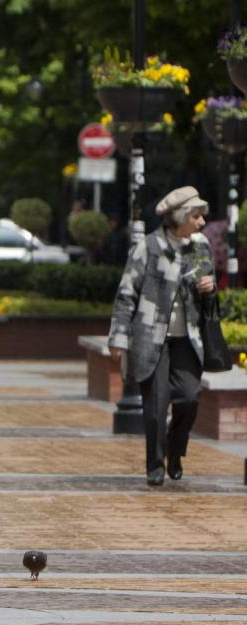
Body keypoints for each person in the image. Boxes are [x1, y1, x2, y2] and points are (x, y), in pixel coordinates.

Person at [109, 186, 216, 486]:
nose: (202, 222)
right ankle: (154, 466)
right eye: (196, 216)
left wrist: (210, 287)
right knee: (155, 407)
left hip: (187, 338)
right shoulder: (148, 247)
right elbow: (126, 295)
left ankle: (175, 449)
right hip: (150, 337)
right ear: (180, 217)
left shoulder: (201, 247)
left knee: (189, 398)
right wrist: (118, 338)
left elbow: (209, 298)